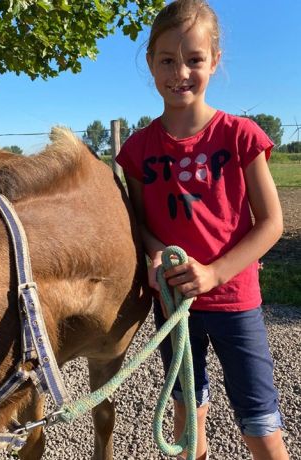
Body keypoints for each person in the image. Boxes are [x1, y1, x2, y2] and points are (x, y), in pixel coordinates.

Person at [115, 1, 289, 459]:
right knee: (187, 408)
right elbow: (141, 224)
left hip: (235, 301)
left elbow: (272, 224)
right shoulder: (137, 150)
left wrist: (214, 273)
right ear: (150, 63)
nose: (181, 73)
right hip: (174, 303)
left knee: (259, 419)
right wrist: (155, 255)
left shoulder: (240, 136)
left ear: (214, 60)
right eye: (167, 60)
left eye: (193, 59)